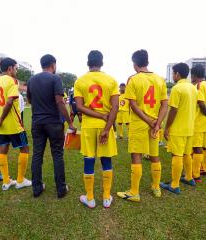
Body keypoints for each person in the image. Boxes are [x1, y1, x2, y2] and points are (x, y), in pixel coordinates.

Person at [117, 49, 168, 202]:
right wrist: (157, 123)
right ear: (147, 62)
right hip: (155, 125)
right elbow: (164, 104)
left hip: (140, 123)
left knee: (136, 155)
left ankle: (134, 192)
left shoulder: (133, 79)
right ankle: (156, 187)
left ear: (134, 64)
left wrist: (148, 121)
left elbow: (132, 104)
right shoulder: (160, 79)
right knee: (154, 155)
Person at [74, 50, 119, 208]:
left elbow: (79, 107)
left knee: (89, 160)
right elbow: (115, 107)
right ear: (102, 62)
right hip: (104, 126)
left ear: (88, 62)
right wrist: (107, 127)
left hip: (88, 126)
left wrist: (98, 117)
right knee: (106, 160)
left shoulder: (80, 81)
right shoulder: (111, 80)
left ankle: (90, 198)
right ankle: (106, 197)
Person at [27, 54, 76, 198]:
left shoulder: (31, 80)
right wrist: (70, 122)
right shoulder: (55, 78)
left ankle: (37, 188)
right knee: (57, 154)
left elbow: (30, 99)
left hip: (37, 122)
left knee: (37, 154)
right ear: (53, 65)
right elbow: (60, 102)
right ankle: (61, 188)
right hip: (54, 122)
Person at [0, 58, 31, 191]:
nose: (16, 71)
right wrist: (0, 119)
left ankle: (6, 181)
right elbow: (9, 101)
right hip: (14, 125)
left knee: (3, 151)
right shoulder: (12, 81)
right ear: (10, 68)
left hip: (1, 127)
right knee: (24, 149)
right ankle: (20, 180)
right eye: (16, 68)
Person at [161, 63, 197, 194]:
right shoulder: (193, 88)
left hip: (178, 129)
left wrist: (167, 128)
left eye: (173, 73)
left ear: (177, 74)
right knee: (187, 154)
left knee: (176, 155)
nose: (172, 75)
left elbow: (173, 110)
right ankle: (189, 177)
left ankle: (174, 185)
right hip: (190, 128)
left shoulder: (177, 88)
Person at [190, 64, 206, 180]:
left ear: (194, 75)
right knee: (203, 147)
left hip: (199, 122)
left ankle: (195, 175)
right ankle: (203, 168)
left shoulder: (199, 85)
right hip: (203, 123)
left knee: (196, 148)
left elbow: (201, 104)